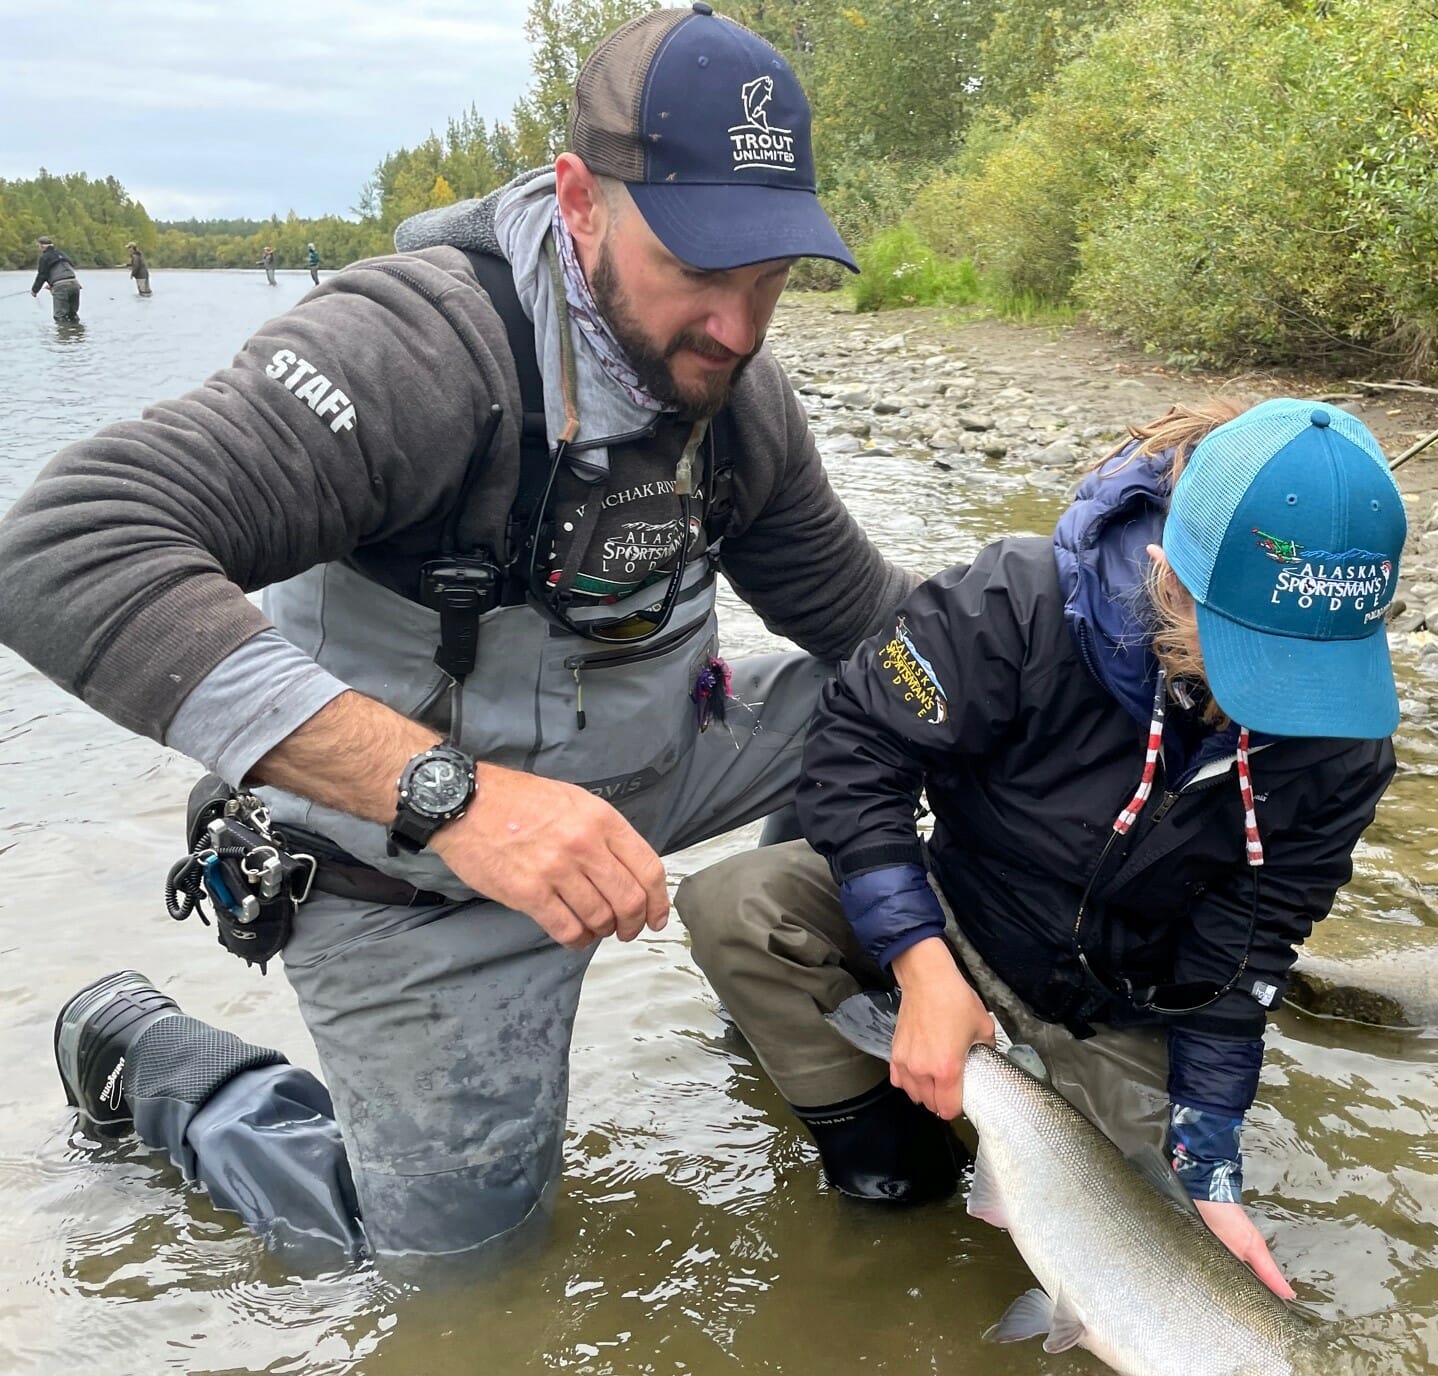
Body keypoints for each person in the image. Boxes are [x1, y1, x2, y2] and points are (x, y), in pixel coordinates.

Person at [3, 5, 901, 1271]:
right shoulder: (411, 349)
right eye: (700, 268)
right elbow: (64, 547)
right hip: (414, 880)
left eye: (771, 276)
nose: (739, 329)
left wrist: (1093, 633)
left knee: (912, 695)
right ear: (580, 201)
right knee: (457, 1282)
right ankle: (155, 1061)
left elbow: (873, 623)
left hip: (655, 772)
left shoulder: (739, 398)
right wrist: (458, 800)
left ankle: (791, 995)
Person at [678, 398, 1403, 1296]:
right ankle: (895, 1176)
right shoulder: (1014, 603)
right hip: (961, 912)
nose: (1283, 705)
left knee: (1160, 1255)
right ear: (1168, 579)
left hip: (1113, 1008)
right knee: (737, 907)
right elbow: (857, 754)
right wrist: (921, 968)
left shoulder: (1343, 748)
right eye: (1254, 658)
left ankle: (997, 1125)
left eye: (1313, 670)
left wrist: (1210, 1164)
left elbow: (1244, 954)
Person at [30, 234, 83, 323]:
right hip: (74, 284)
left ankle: (63, 331)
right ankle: (76, 330)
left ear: (42, 246)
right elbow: (67, 268)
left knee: (60, 316)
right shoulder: (62, 254)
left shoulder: (44, 257)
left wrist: (34, 290)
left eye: (38, 246)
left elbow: (42, 275)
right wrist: (52, 284)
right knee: (72, 315)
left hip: (61, 286)